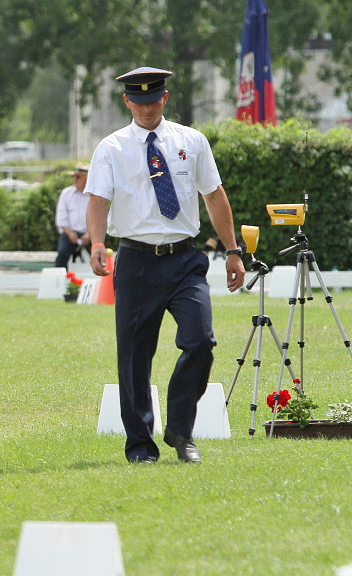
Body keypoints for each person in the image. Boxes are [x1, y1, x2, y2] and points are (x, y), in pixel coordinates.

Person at [85, 66, 245, 464]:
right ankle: (140, 446)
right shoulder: (112, 147)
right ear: (127, 102)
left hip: (184, 259)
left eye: (152, 100)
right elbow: (98, 200)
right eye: (137, 102)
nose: (145, 108)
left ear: (165, 98)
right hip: (137, 260)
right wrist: (98, 242)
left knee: (200, 341)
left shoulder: (190, 141)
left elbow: (214, 195)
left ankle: (180, 429)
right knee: (135, 357)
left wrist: (233, 250)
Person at [54, 163, 91, 268]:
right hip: (70, 233)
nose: (75, 179)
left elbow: (101, 219)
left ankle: (105, 282)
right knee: (62, 254)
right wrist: (70, 233)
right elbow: (61, 218)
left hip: (90, 234)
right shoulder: (66, 193)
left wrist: (89, 234)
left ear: (88, 178)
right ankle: (60, 280)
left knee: (99, 256)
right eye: (74, 176)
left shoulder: (94, 195)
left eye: (78, 177)